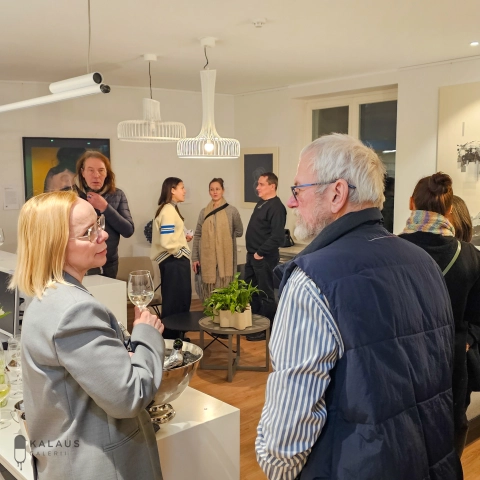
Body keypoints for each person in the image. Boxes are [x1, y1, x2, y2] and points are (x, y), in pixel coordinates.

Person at [256, 134, 461, 480]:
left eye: (298, 190)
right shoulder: (423, 262)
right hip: (428, 461)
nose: (291, 202)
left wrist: (275, 466)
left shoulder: (312, 280)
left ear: (337, 193)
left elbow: (285, 443)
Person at [10, 191, 165, 480]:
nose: (103, 235)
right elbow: (129, 396)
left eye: (99, 224)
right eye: (88, 232)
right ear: (55, 246)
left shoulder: (48, 295)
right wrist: (146, 334)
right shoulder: (74, 309)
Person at [399, 173, 480, 457]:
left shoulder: (388, 250)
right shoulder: (471, 256)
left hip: (401, 362)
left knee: (404, 437)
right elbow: (476, 316)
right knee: (449, 435)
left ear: (411, 203)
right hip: (451, 363)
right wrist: (466, 340)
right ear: (450, 209)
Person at [74, 150, 134, 278]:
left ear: (107, 173)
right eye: (91, 170)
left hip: (109, 262)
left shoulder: (117, 194)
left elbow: (128, 230)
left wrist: (105, 207)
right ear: (82, 172)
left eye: (101, 170)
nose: (96, 175)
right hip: (78, 263)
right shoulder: (70, 195)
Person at [244, 172, 286, 341]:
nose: (257, 187)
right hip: (252, 256)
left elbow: (277, 237)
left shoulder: (277, 207)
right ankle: (256, 326)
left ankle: (268, 330)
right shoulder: (261, 203)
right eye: (258, 184)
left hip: (264, 258)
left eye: (261, 184)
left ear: (272, 186)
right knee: (251, 292)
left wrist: (260, 253)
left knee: (266, 294)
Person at [150, 177, 192, 338]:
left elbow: (170, 236)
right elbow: (166, 241)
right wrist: (180, 253)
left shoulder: (169, 209)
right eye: (182, 187)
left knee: (176, 300)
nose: (185, 191)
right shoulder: (168, 210)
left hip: (172, 261)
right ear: (172, 190)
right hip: (174, 262)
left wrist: (182, 238)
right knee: (176, 302)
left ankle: (176, 336)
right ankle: (172, 337)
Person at [192, 178, 243, 301]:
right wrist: (195, 257)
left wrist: (223, 238)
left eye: (217, 189)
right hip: (207, 258)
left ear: (223, 190)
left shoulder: (232, 211)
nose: (215, 192)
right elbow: (198, 235)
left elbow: (239, 231)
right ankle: (210, 312)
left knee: (224, 291)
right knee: (208, 294)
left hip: (224, 259)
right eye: (212, 189)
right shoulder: (203, 212)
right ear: (209, 192)